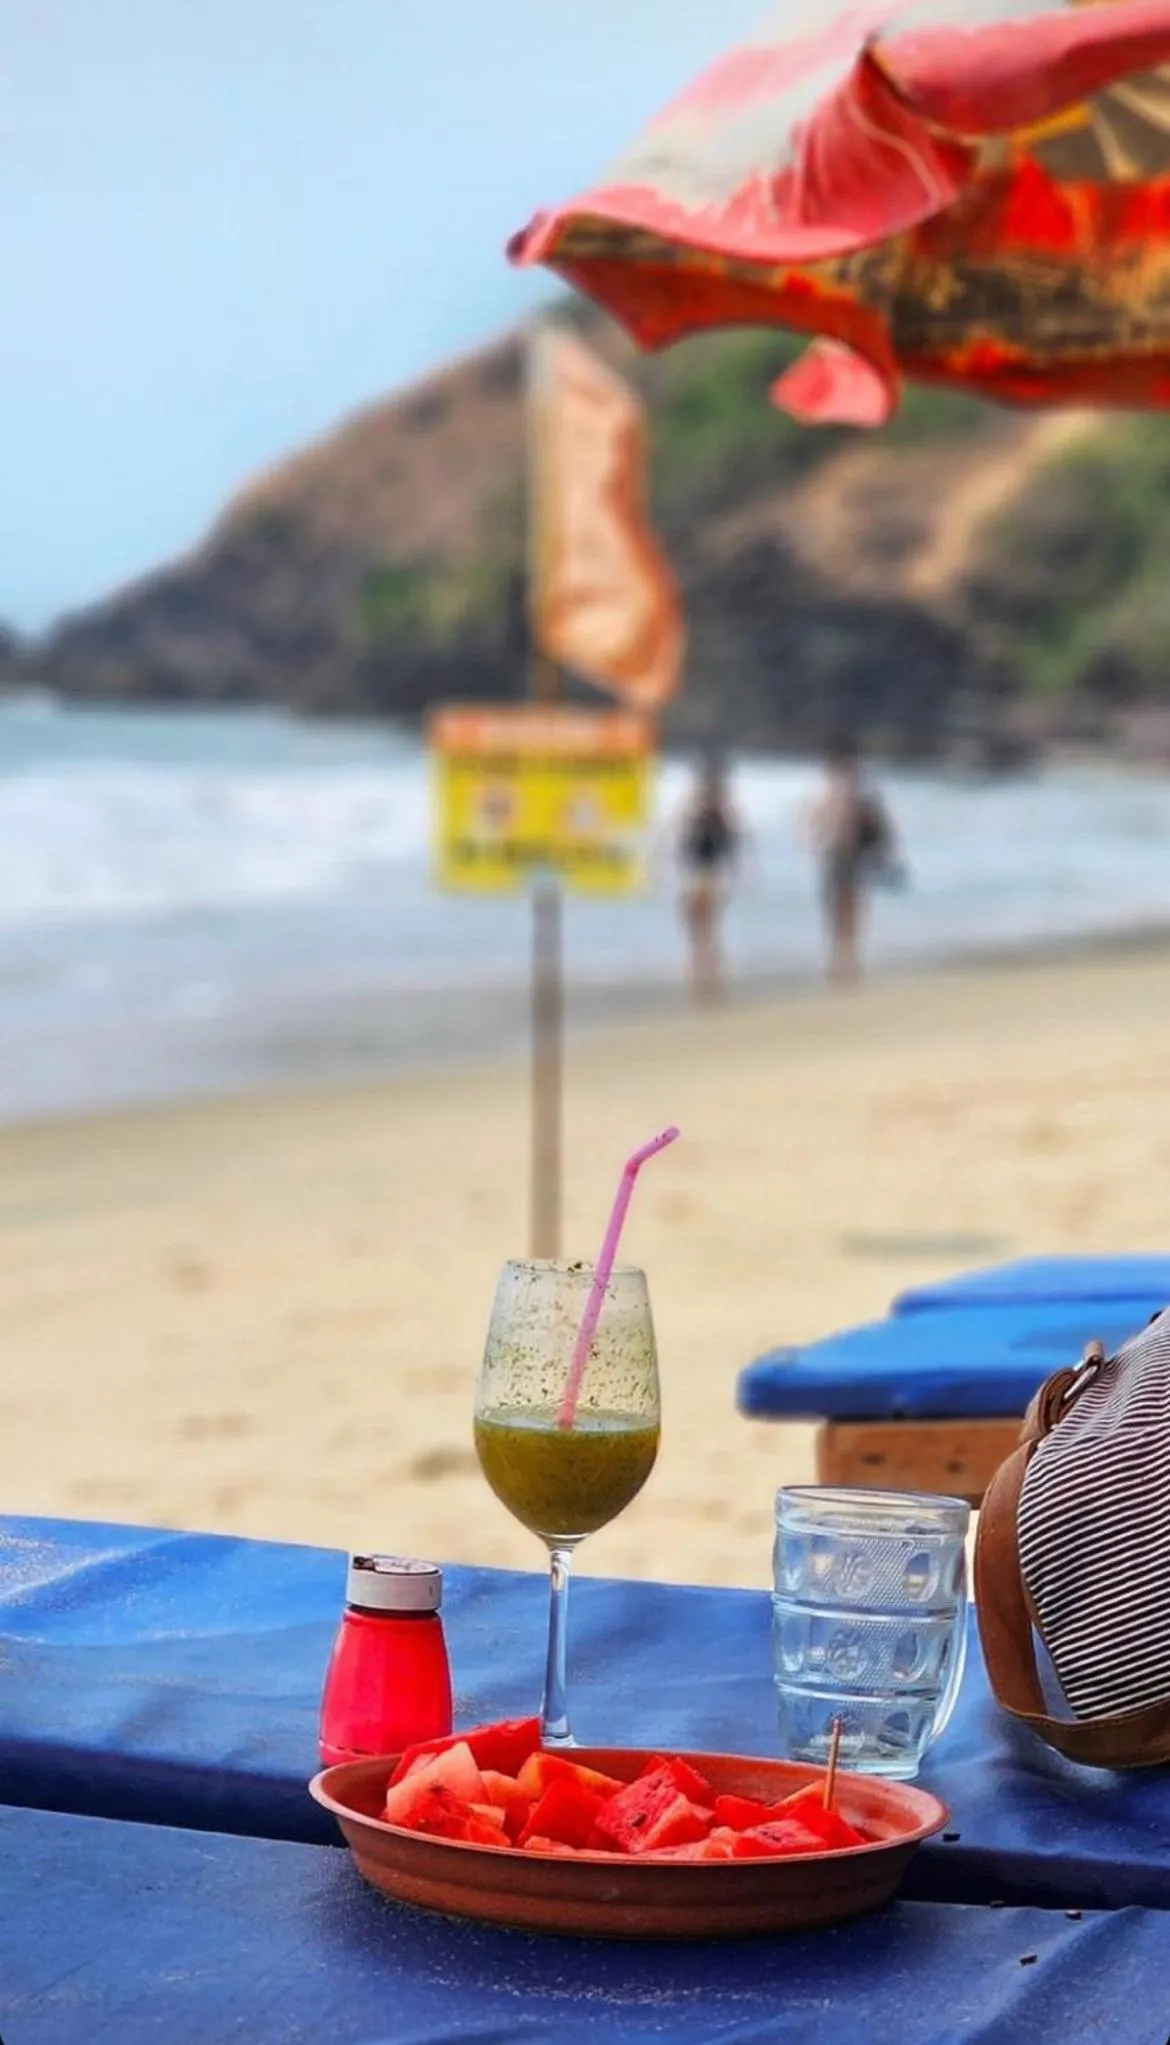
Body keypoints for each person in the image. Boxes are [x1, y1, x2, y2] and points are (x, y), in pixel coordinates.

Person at [807, 740, 900, 985]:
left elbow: (816, 825)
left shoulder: (833, 788)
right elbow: (884, 826)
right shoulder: (864, 790)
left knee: (836, 912)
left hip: (838, 857)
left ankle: (839, 962)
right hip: (854, 858)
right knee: (851, 911)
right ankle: (849, 961)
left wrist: (816, 843)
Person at [673, 756, 743, 1004]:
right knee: (710, 930)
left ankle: (700, 980)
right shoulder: (724, 809)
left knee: (697, 931)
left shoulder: (695, 808)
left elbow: (680, 841)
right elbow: (735, 846)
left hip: (697, 873)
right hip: (713, 874)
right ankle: (710, 979)